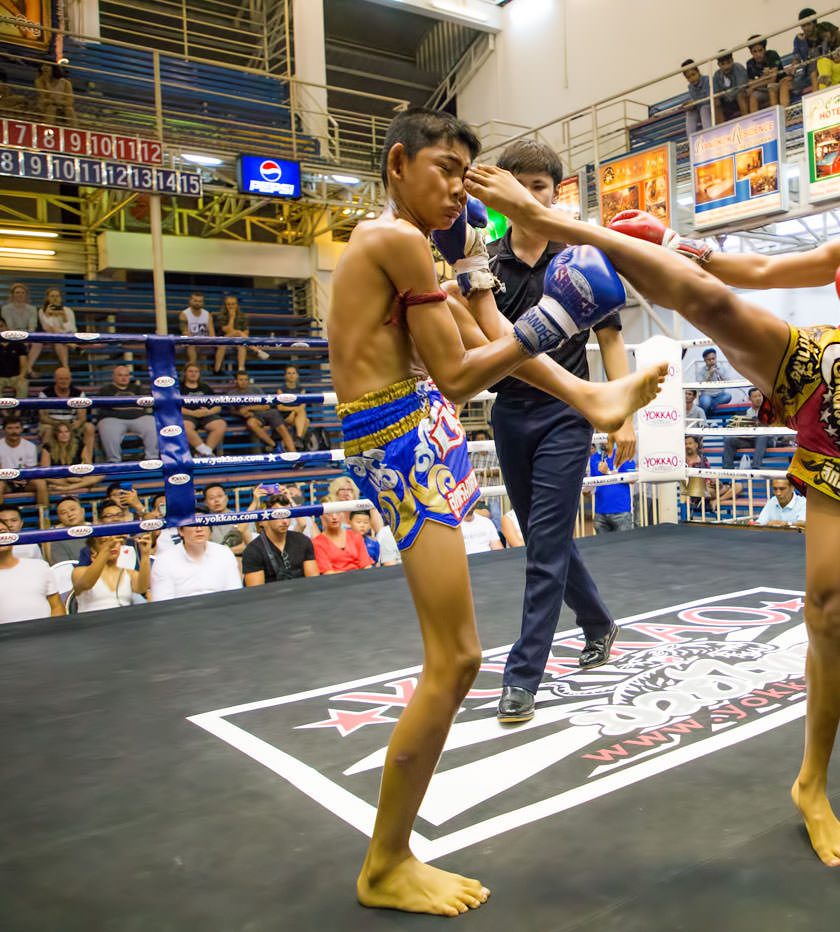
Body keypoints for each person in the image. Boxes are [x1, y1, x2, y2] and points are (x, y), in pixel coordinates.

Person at [467, 117, 840, 868]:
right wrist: (686, 250)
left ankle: (813, 785)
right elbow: (758, 275)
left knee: (829, 610)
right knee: (714, 304)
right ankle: (561, 225)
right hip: (821, 369)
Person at [328, 107, 663, 917]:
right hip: (403, 436)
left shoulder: (431, 241)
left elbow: (489, 332)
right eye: (445, 168)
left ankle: (588, 395)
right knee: (455, 660)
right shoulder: (395, 240)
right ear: (399, 162)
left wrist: (578, 378)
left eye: (466, 173)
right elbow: (457, 374)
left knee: (461, 656)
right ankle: (385, 862)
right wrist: (560, 316)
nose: (457, 188)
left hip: (417, 427)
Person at [483, 139, 640, 725]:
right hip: (510, 415)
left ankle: (522, 676)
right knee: (546, 537)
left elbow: (610, 340)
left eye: (540, 187)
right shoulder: (488, 265)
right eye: (518, 185)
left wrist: (622, 413)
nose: (529, 196)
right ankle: (597, 622)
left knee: (542, 546)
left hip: (566, 416)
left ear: (556, 191)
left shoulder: (581, 257)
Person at [148, 510, 243, 601]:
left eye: (203, 523)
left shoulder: (224, 553)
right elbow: (163, 603)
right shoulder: (164, 561)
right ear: (180, 531)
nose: (199, 529)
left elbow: (234, 594)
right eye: (193, 525)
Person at [241, 492, 319, 586]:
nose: (285, 521)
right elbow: (256, 594)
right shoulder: (253, 550)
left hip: (302, 596)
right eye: (279, 515)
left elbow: (314, 583)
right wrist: (255, 501)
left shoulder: (303, 541)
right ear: (264, 520)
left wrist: (290, 500)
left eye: (288, 515)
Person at [70, 525, 151, 611]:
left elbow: (142, 588)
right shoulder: (78, 572)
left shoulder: (129, 573)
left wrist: (145, 554)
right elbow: (87, 583)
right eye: (104, 541)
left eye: (116, 542)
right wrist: (106, 549)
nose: (113, 545)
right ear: (93, 549)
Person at [96, 364, 158, 462]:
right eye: (120, 375)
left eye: (126, 375)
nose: (124, 378)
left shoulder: (137, 389)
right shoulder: (105, 390)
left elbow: (143, 407)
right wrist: (133, 407)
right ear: (113, 377)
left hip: (137, 418)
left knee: (152, 423)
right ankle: (114, 462)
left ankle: (152, 459)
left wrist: (117, 407)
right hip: (113, 420)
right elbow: (104, 410)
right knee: (106, 427)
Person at [233, 370, 298, 452]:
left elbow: (266, 405)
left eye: (246, 380)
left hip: (268, 413)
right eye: (241, 380)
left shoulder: (255, 389)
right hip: (254, 417)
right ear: (235, 381)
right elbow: (233, 411)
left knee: (282, 429)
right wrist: (241, 413)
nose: (244, 382)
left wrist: (249, 408)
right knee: (251, 423)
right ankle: (275, 446)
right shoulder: (232, 393)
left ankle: (294, 454)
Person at [0, 541, 63, 622]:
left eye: (4, 531)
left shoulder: (39, 566)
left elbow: (56, 606)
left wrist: (54, 631)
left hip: (44, 631)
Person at [36, 366, 93, 454]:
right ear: (55, 379)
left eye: (66, 379)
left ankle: (88, 461)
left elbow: (82, 417)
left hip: (71, 423)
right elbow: (43, 417)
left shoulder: (79, 394)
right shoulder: (45, 394)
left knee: (89, 428)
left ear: (70, 379)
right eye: (61, 379)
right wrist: (58, 425)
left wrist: (78, 423)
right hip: (52, 423)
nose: (64, 381)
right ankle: (46, 463)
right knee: (48, 430)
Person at [178, 363, 227, 457]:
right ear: (185, 373)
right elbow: (174, 407)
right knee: (184, 426)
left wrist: (209, 411)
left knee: (221, 424)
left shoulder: (205, 387)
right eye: (190, 371)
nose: (193, 374)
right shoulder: (179, 388)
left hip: (206, 415)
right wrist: (193, 413)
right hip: (188, 416)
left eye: (196, 371)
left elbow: (218, 406)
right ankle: (206, 453)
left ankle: (203, 454)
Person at [213, 294, 269, 374]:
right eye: (228, 304)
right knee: (237, 334)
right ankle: (257, 351)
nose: (231, 306)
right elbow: (227, 330)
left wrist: (238, 334)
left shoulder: (242, 316)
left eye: (233, 304)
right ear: (225, 305)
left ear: (237, 305)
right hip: (224, 339)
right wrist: (232, 318)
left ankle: (241, 370)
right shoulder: (221, 316)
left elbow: (246, 332)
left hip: (238, 340)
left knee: (242, 344)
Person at [0, 415, 45, 512]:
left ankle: (44, 518)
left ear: (21, 429)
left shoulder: (30, 446)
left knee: (41, 483)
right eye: (10, 428)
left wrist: (24, 479)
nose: (14, 431)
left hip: (25, 480)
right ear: (4, 430)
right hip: (5, 481)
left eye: (17, 428)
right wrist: (11, 480)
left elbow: (31, 469)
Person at [312, 501, 373, 574]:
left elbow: (366, 566)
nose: (334, 517)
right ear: (321, 516)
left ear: (343, 514)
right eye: (329, 513)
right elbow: (327, 573)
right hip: (336, 583)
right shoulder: (317, 542)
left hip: (361, 580)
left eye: (338, 512)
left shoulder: (355, 536)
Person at [40, 422, 98, 496]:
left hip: (76, 477)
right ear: (56, 434)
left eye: (66, 432)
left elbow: (89, 465)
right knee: (44, 477)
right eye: (60, 432)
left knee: (100, 475)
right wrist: (66, 479)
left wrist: (77, 476)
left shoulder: (79, 445)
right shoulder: (48, 447)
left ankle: (69, 487)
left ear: (70, 433)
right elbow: (44, 471)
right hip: (57, 478)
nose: (64, 435)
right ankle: (74, 485)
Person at [589, 445, 636, 533]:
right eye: (598, 432)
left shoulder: (622, 454)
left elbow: (633, 478)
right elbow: (593, 484)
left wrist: (608, 472)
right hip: (600, 512)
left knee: (624, 545)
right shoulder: (594, 457)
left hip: (621, 511)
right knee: (602, 546)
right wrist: (586, 491)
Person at [723, 387, 771, 469]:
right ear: (750, 399)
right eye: (755, 396)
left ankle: (755, 468)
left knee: (762, 436)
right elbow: (748, 428)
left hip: (767, 440)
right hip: (751, 440)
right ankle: (728, 470)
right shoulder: (748, 412)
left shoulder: (769, 410)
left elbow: (768, 428)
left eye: (760, 396)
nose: (758, 398)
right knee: (729, 440)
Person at [202, 483, 252, 556]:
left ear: (227, 498)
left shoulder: (241, 518)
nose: (216, 500)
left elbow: (249, 545)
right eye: (212, 498)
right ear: (206, 503)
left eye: (220, 496)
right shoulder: (203, 523)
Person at [744, 35, 790, 110]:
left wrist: (755, 85)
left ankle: (781, 116)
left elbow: (773, 79)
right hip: (763, 90)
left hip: (779, 83)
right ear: (751, 52)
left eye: (760, 50)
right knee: (753, 96)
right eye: (754, 52)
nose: (758, 54)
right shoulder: (749, 63)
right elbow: (750, 83)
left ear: (765, 49)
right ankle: (754, 121)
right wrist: (764, 78)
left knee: (771, 87)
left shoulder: (772, 55)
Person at [2, 282, 38, 375]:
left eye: (22, 292)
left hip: (27, 336)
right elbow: (9, 327)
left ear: (26, 294)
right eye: (17, 292)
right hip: (12, 335)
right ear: (12, 294)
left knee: (38, 343)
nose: (20, 295)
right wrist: (20, 338)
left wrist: (27, 338)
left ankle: (28, 367)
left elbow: (32, 326)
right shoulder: (6, 309)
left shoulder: (32, 309)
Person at [36, 286, 76, 369]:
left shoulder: (68, 311)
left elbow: (72, 330)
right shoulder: (42, 311)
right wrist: (47, 316)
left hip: (63, 338)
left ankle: (65, 367)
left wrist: (64, 318)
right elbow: (46, 328)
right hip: (49, 337)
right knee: (54, 331)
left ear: (61, 298)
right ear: (47, 298)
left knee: (59, 340)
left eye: (57, 296)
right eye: (52, 296)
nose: (55, 299)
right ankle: (72, 346)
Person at [693, 347, 738, 417]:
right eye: (709, 359)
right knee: (705, 402)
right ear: (704, 360)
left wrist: (719, 374)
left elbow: (728, 382)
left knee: (728, 396)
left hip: (719, 395)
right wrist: (709, 376)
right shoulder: (700, 371)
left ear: (716, 358)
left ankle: (710, 410)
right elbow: (699, 388)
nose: (712, 361)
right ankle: (709, 412)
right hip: (706, 395)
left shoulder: (721, 368)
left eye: (713, 359)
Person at [275, 365, 312, 449]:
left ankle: (295, 443)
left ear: (297, 375)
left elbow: (303, 405)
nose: (291, 375)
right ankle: (298, 440)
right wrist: (293, 410)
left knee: (306, 420)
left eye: (293, 373)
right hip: (285, 416)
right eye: (289, 373)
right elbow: (280, 407)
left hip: (297, 415)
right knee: (305, 421)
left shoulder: (301, 389)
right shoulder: (281, 390)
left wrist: (295, 412)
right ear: (285, 376)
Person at [47, 496, 89, 565]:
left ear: (82, 511)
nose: (70, 514)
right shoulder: (55, 536)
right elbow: (61, 566)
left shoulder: (96, 529)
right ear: (59, 518)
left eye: (72, 509)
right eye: (63, 512)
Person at [712, 50, 750, 123]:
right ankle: (720, 130)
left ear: (732, 60)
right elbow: (716, 93)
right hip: (727, 103)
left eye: (728, 63)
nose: (726, 67)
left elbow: (741, 88)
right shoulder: (717, 75)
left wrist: (726, 94)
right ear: (718, 65)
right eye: (723, 64)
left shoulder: (739, 68)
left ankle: (746, 123)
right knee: (716, 103)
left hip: (741, 98)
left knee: (740, 95)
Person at [179, 292, 214, 367]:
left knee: (221, 344)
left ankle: (218, 370)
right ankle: (193, 365)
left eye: (200, 301)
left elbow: (212, 334)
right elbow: (185, 332)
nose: (197, 303)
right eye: (195, 301)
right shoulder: (184, 314)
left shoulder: (207, 314)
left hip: (204, 341)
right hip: (191, 341)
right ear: (190, 301)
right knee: (191, 343)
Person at [679, 59, 712, 136]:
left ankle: (708, 135)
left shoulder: (707, 80)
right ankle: (690, 139)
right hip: (700, 111)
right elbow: (695, 104)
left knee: (704, 109)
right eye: (688, 77)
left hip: (710, 110)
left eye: (693, 75)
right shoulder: (690, 87)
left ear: (698, 72)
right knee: (690, 113)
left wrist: (695, 103)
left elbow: (710, 100)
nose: (692, 79)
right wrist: (689, 106)